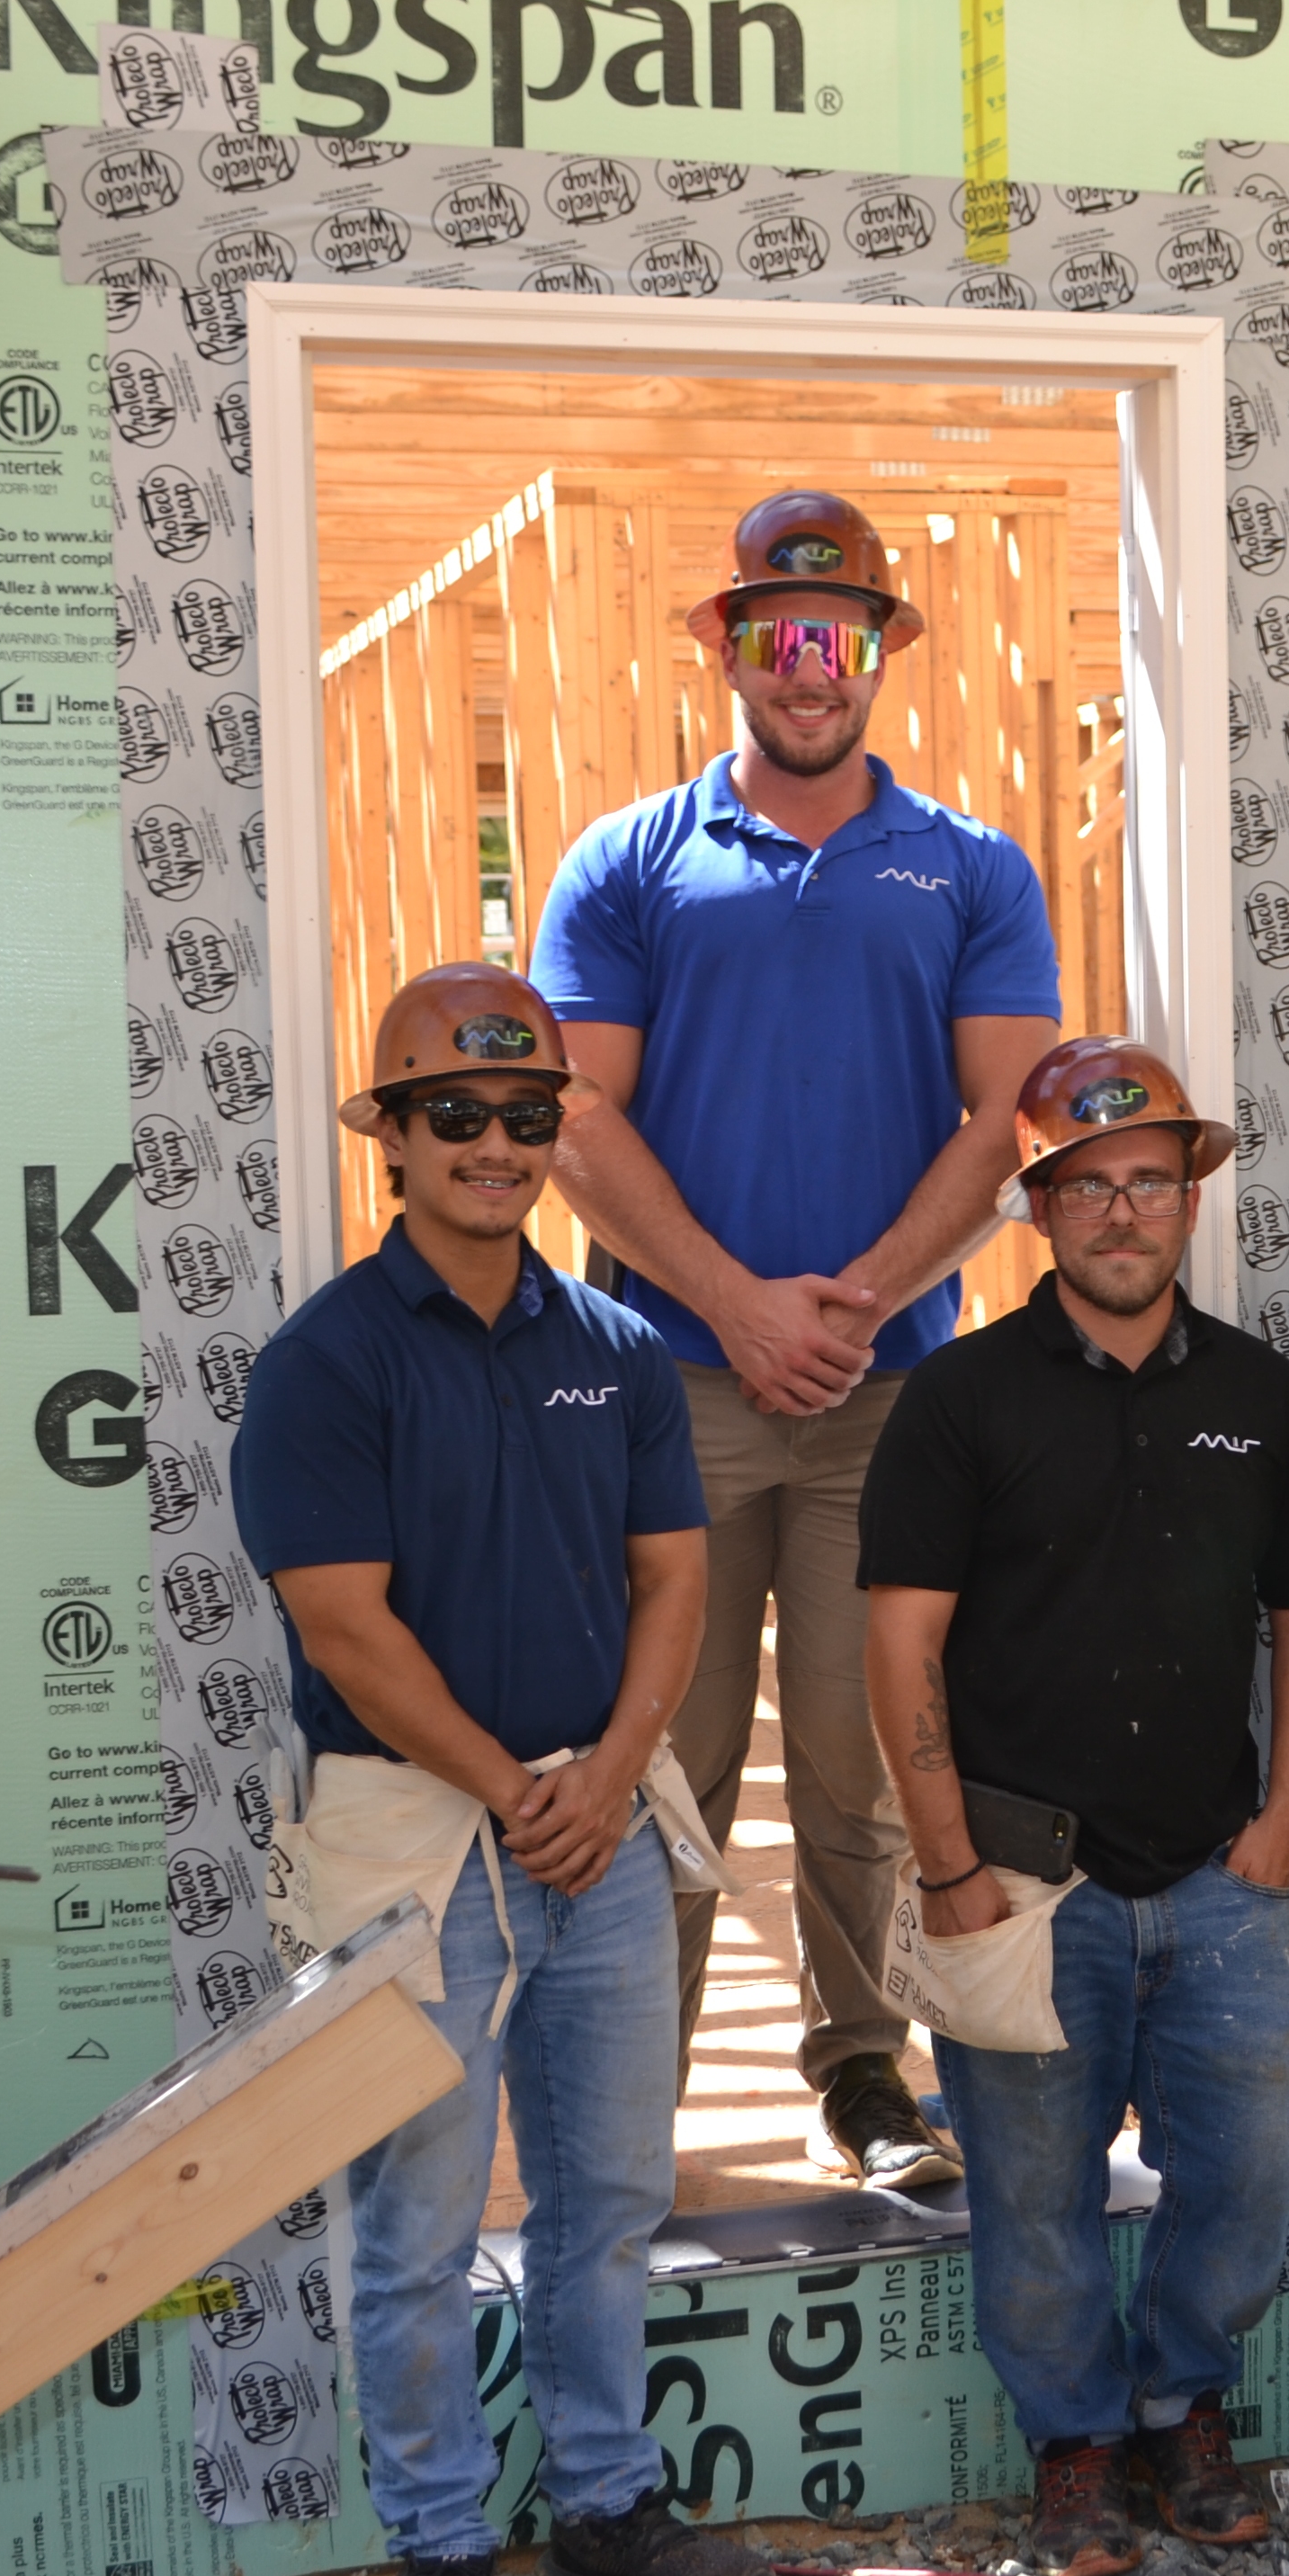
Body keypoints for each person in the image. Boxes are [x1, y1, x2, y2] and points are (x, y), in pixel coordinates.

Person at [232, 963, 766, 2576]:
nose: (490, 1141)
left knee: (609, 2192)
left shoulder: (618, 1352)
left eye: (523, 1113)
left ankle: (607, 2501)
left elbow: (674, 1582)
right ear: (392, 1137)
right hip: (414, 1836)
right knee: (419, 2218)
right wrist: (512, 1783)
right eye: (450, 1113)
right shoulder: (328, 1363)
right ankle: (443, 2551)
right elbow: (346, 1628)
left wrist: (607, 1775)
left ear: (557, 1135)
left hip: (594, 1825)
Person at [533, 490, 1064, 2191]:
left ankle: (862, 2075)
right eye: (778, 632)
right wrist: (738, 1303)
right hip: (665, 1392)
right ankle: (632, 2104)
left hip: (882, 1389)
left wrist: (842, 1303)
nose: (810, 667)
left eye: (840, 634)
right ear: (730, 649)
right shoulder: (626, 864)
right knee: (659, 1759)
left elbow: (1009, 1117)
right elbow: (575, 1119)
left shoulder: (972, 869)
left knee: (858, 1752)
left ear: (882, 654)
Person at [856, 1037, 1289, 2576]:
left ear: (1191, 1197)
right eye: (1089, 1187)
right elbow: (899, 1641)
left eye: (1150, 1182)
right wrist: (949, 1870)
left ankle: (1182, 2402)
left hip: (1218, 1878)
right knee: (1036, 2196)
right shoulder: (957, 1400)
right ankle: (1074, 2445)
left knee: (1250, 2180)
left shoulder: (1262, 1398)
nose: (1123, 1213)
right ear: (1041, 1210)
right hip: (1021, 1886)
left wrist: (1284, 1820)